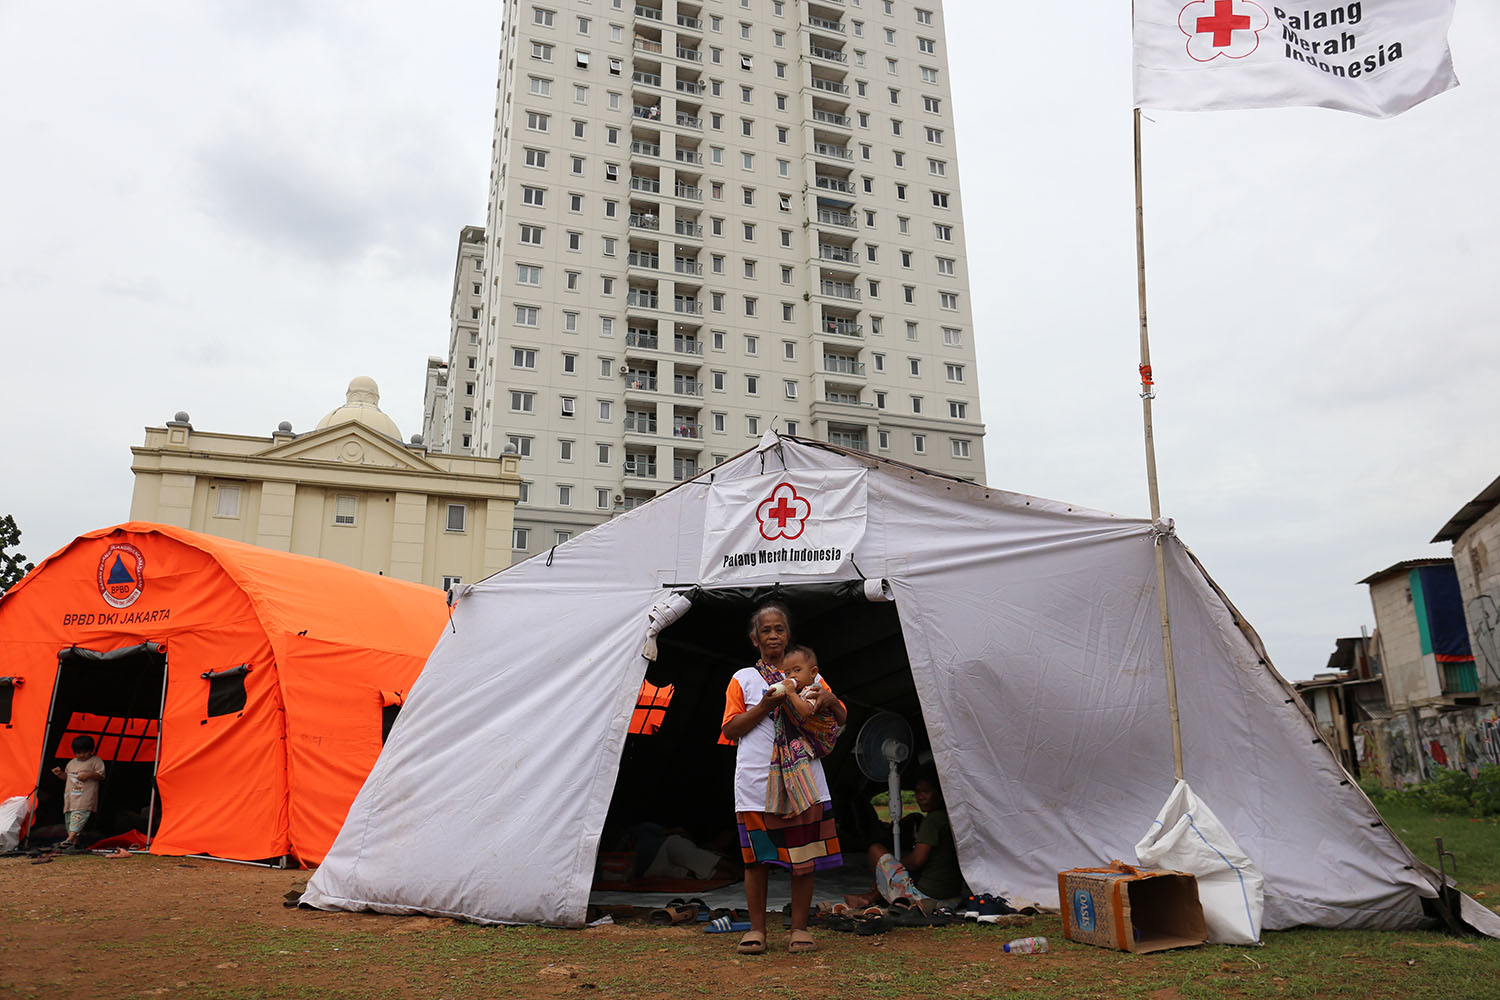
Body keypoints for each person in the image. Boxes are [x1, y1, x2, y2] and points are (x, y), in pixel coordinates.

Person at [720, 604, 846, 955]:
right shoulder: (743, 679)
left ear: (788, 635)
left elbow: (841, 714)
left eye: (779, 629)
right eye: (766, 630)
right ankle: (757, 930)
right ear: (754, 638)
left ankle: (799, 929)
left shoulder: (809, 674)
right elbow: (730, 729)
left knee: (803, 860)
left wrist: (831, 698)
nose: (773, 635)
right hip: (756, 783)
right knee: (755, 860)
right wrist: (763, 706)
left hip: (804, 783)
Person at [846, 767, 969, 912]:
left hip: (925, 897)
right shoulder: (951, 818)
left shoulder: (933, 821)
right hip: (952, 896)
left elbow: (917, 861)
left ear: (941, 794)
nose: (920, 797)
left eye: (926, 792)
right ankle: (870, 897)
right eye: (917, 792)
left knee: (875, 849)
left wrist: (896, 865)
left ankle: (869, 898)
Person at [50, 735, 105, 849]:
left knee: (79, 816)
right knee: (69, 819)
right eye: (78, 753)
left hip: (85, 796)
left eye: (84, 752)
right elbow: (67, 778)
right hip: (70, 797)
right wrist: (59, 774)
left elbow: (101, 775)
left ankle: (69, 839)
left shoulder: (96, 761)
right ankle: (74, 843)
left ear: (91, 750)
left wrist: (89, 775)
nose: (81, 755)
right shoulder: (71, 763)